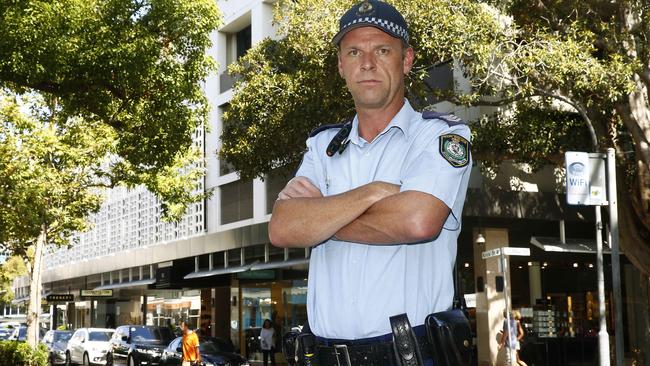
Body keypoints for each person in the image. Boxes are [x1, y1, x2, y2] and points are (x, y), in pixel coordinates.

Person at [269, 0, 472, 364]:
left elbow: (417, 221)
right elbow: (283, 228)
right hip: (323, 355)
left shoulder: (438, 137)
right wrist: (374, 192)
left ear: (406, 59)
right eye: (353, 51)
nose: (367, 63)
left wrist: (319, 219)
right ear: (341, 65)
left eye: (382, 50)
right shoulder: (321, 146)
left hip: (409, 355)